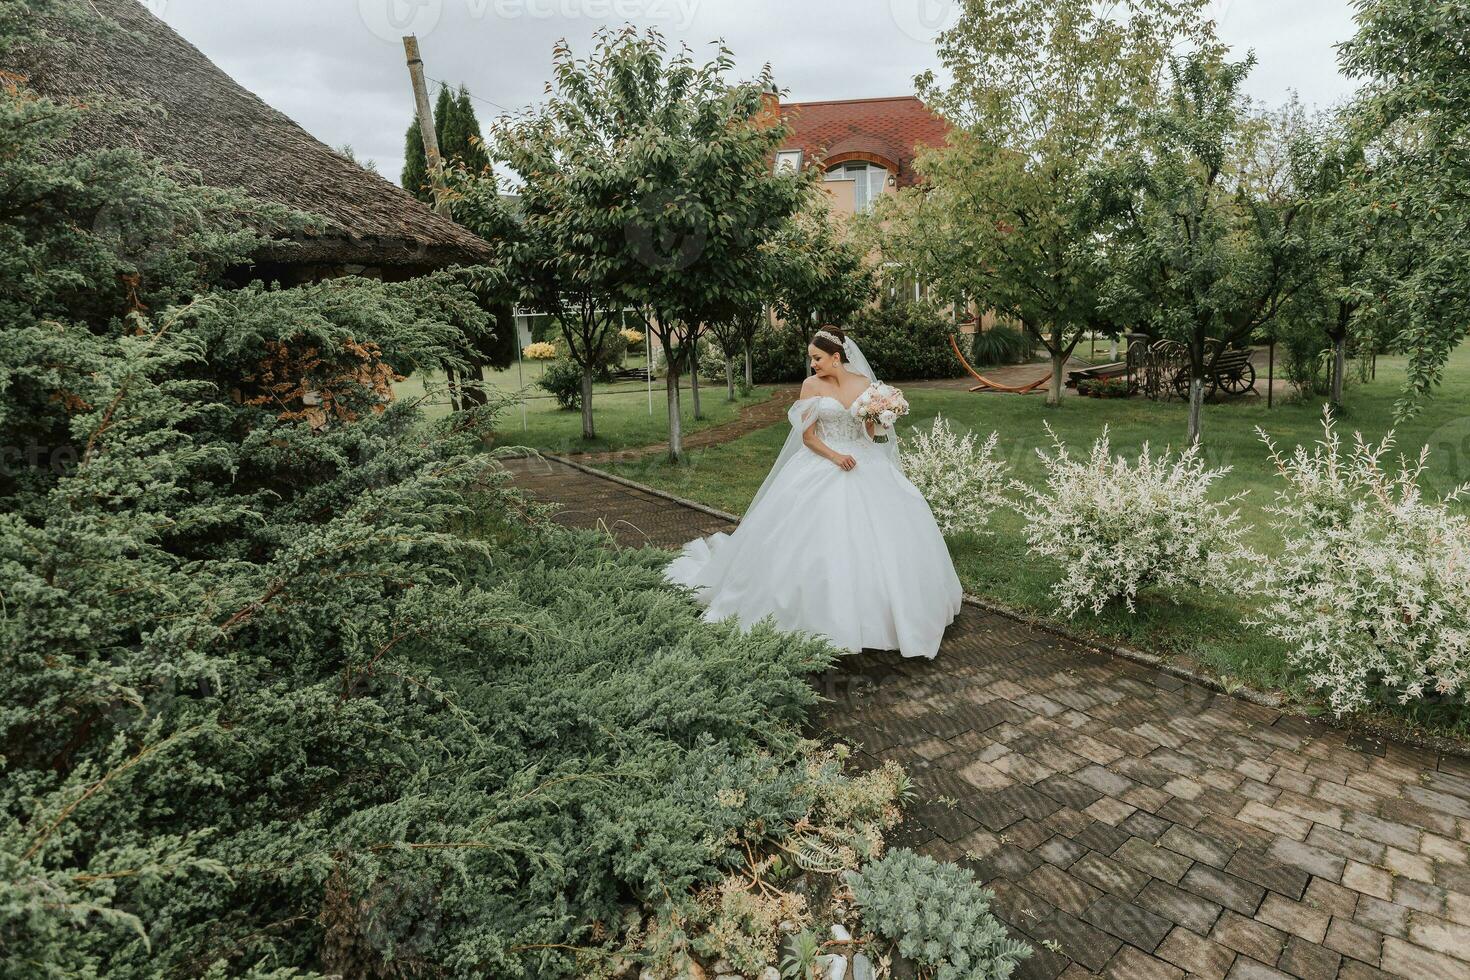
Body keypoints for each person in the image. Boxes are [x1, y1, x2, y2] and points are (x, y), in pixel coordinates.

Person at [664, 325, 963, 658]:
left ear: (836, 358)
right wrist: (837, 457)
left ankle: (890, 615)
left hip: (864, 461)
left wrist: (882, 419)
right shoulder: (810, 386)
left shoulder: (865, 386)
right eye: (812, 359)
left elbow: (868, 435)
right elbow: (808, 437)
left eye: (818, 358)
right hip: (824, 460)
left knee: (885, 536)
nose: (813, 365)